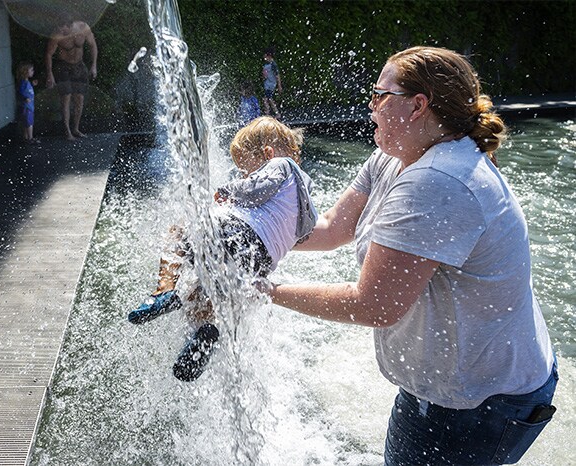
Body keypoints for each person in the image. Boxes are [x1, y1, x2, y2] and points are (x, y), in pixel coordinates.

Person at [263, 46, 557, 465]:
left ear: (418, 105)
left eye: (380, 94)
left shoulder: (439, 181)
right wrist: (247, 236)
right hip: (450, 387)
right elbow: (332, 227)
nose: (371, 105)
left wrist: (265, 289)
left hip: (482, 403)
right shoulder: (393, 154)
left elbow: (373, 304)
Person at [128, 117, 318, 382]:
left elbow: (258, 187)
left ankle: (164, 290)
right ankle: (206, 330)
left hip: (236, 236)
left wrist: (228, 190)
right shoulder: (306, 201)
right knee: (204, 294)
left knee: (180, 228)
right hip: (258, 263)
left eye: (245, 171)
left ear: (267, 153)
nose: (243, 176)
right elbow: (301, 235)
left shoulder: (280, 164)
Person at [45, 14, 98, 141]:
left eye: (64, 30)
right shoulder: (57, 34)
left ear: (70, 26)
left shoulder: (83, 28)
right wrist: (50, 74)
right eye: (59, 30)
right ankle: (67, 131)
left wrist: (94, 65)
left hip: (79, 66)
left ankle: (76, 128)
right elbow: (48, 54)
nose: (61, 32)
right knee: (66, 98)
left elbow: (93, 45)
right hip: (63, 67)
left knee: (79, 98)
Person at [16, 62, 38, 143]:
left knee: (27, 122)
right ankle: (30, 138)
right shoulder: (23, 83)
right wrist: (25, 98)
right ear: (25, 72)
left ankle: (26, 137)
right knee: (29, 122)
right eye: (31, 70)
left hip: (29, 106)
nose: (33, 71)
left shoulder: (26, 82)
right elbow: (21, 91)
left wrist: (32, 84)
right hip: (27, 106)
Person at [262, 47, 282, 120]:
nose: (264, 56)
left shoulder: (273, 64)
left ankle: (268, 114)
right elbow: (265, 76)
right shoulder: (266, 64)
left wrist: (279, 86)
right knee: (269, 99)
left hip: (271, 85)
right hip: (267, 84)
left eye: (265, 55)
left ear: (269, 55)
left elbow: (277, 75)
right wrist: (264, 75)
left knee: (266, 99)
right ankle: (275, 113)